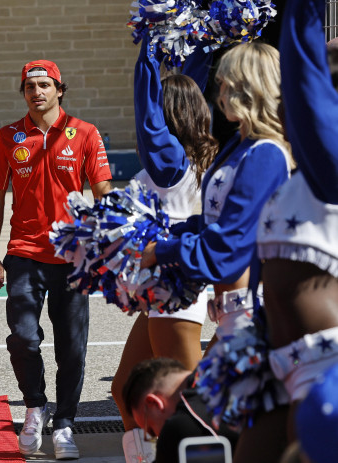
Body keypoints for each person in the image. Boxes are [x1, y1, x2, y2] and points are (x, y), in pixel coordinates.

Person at [140, 41, 293, 463]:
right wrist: (153, 234)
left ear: (247, 88)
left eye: (225, 83)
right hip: (230, 312)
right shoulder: (238, 146)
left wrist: (162, 252)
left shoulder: (266, 154)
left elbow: (227, 249)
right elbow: (211, 224)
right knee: (213, 432)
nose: (217, 91)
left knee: (207, 429)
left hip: (256, 317)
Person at [0, 60, 112, 460]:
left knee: (72, 348)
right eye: (29, 86)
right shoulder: (9, 136)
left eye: (44, 85)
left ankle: (66, 424)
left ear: (60, 89)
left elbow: (104, 193)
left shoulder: (85, 133)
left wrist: (106, 246)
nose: (36, 91)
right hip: (23, 253)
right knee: (23, 337)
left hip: (72, 257)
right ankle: (35, 406)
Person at [111, 37, 217, 462]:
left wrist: (149, 47)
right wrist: (203, 44)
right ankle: (146, 457)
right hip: (160, 291)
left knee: (190, 402)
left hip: (175, 287)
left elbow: (148, 114)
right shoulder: (178, 157)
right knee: (124, 390)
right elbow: (192, 80)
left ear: (166, 112)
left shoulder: (169, 160)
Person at [256, 0, 338, 449]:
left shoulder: (333, 167)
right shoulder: (301, 172)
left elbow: (305, 73)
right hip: (283, 365)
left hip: (328, 374)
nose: (284, 108)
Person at [122, 358, 240, 463]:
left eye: (151, 430)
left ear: (154, 403)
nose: (156, 437)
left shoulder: (183, 423)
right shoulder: (224, 365)